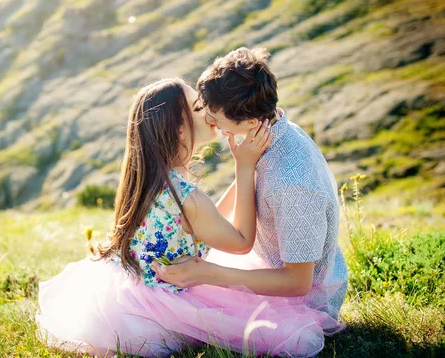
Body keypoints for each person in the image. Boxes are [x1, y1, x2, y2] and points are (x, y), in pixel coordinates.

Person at [36, 78, 342, 358]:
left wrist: (251, 163)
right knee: (278, 329)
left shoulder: (152, 178)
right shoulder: (187, 197)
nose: (209, 112)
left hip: (127, 288)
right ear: (180, 129)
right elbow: (241, 242)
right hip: (162, 302)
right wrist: (245, 168)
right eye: (198, 107)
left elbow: (209, 222)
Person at [152, 47, 349, 321]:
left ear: (250, 121)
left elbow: (298, 283)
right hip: (265, 262)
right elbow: (229, 212)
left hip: (301, 301)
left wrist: (210, 274)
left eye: (215, 116)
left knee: (188, 300)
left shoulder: (292, 185)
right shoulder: (270, 133)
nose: (207, 120)